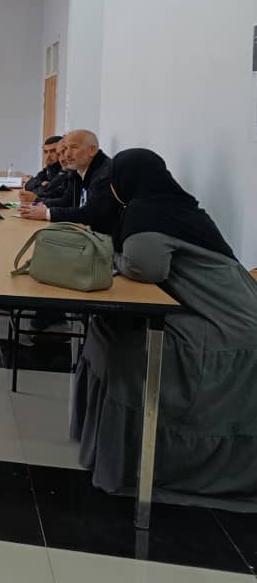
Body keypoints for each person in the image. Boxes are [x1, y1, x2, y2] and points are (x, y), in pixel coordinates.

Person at [72, 148, 257, 510]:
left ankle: (141, 463)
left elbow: (145, 268)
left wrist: (111, 258)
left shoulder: (145, 212)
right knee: (109, 326)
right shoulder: (176, 205)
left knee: (124, 345)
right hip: (220, 312)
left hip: (226, 328)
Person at [17, 129, 119, 236]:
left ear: (92, 150)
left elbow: (91, 213)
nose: (67, 155)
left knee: (42, 237)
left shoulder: (104, 173)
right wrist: (40, 206)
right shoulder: (79, 170)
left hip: (104, 239)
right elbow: (67, 201)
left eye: (74, 147)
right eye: (65, 149)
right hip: (86, 230)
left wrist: (47, 213)